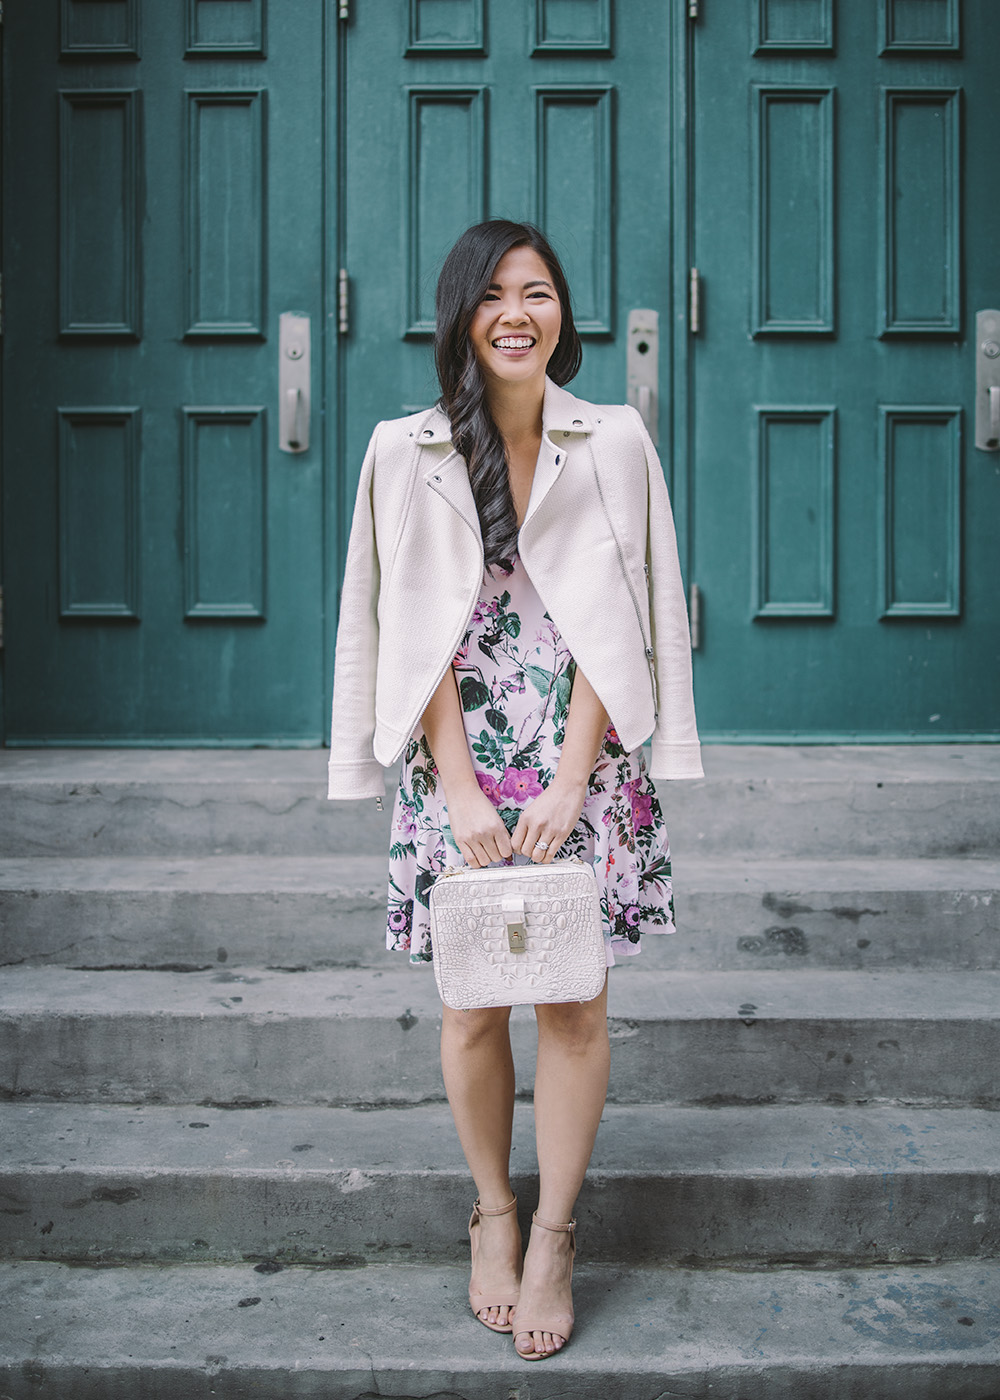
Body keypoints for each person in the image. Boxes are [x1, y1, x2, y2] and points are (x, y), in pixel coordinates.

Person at [327, 220, 702, 1360]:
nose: (516, 313)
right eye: (492, 293)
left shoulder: (617, 437)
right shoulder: (406, 449)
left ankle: (552, 1233)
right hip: (463, 774)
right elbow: (400, 624)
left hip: (585, 760)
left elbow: (634, 609)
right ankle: (490, 1207)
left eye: (536, 292)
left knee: (576, 1001)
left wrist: (577, 770)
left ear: (562, 315)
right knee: (473, 1000)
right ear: (460, 314)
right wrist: (460, 787)